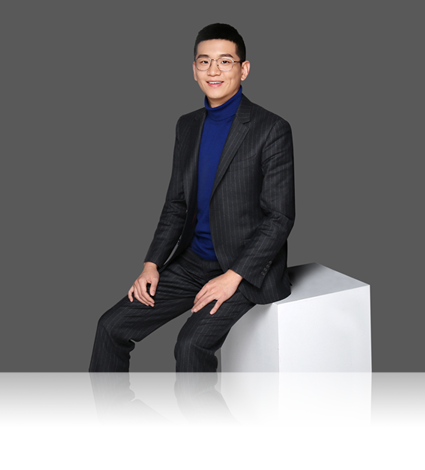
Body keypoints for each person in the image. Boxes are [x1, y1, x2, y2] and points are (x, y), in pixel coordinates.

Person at [88, 23, 295, 427]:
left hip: (243, 269)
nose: (214, 70)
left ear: (244, 69)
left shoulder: (271, 129)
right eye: (204, 61)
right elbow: (176, 204)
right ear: (194, 70)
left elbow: (280, 217)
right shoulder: (187, 125)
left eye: (225, 61)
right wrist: (151, 264)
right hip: (192, 264)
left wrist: (233, 277)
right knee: (110, 329)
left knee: (189, 356)